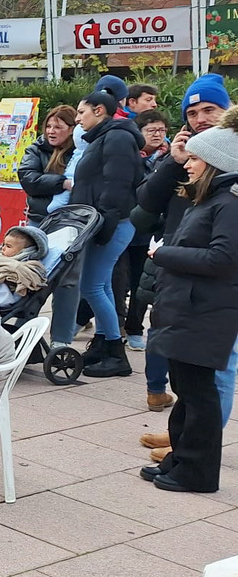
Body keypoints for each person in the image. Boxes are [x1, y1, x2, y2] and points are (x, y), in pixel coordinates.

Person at [141, 107, 238, 494]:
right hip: (189, 307)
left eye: (196, 158)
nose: (189, 164)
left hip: (205, 311)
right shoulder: (213, 199)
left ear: (216, 162)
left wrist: (163, 254)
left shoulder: (229, 203)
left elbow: (222, 259)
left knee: (198, 393)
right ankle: (180, 458)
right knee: (186, 387)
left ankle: (197, 472)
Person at [134, 74, 233, 426]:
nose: (201, 118)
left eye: (210, 109)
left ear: (228, 109)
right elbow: (143, 207)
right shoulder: (187, 156)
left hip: (217, 276)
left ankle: (205, 441)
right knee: (185, 366)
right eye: (192, 113)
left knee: (217, 367)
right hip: (179, 266)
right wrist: (173, 162)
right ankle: (188, 435)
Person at [59, 91, 143, 378]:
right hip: (106, 222)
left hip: (112, 222)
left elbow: (116, 186)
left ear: (99, 111)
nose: (78, 118)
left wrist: (102, 228)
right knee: (100, 284)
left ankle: (115, 351)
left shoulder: (117, 137)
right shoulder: (105, 138)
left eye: (81, 112)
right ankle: (105, 345)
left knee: (92, 286)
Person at [117, 109, 170, 351]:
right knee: (117, 280)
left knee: (141, 282)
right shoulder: (129, 156)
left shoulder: (171, 158)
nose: (158, 135)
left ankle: (135, 328)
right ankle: (111, 325)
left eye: (161, 130)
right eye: (151, 130)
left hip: (149, 232)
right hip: (124, 225)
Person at [17, 105, 77, 223]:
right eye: (48, 126)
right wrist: (63, 183)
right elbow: (29, 179)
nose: (51, 131)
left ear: (72, 129)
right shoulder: (36, 149)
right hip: (39, 218)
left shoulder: (79, 152)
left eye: (58, 127)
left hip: (70, 219)